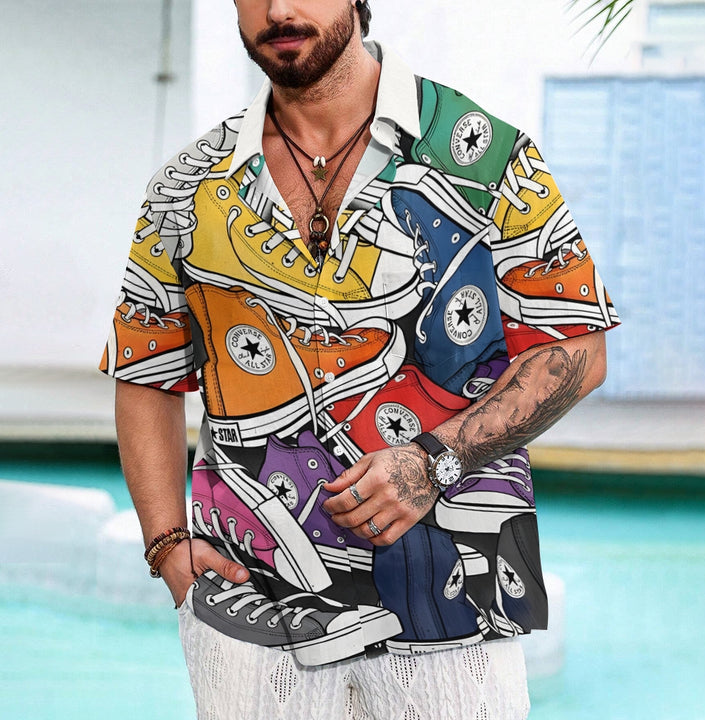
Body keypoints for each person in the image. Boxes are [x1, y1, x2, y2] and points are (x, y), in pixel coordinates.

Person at [100, 1, 619, 718]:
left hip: (456, 611)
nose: (279, 10)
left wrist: (436, 461)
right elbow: (146, 373)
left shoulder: (489, 158)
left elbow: (578, 347)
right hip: (249, 615)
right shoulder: (187, 187)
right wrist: (167, 547)